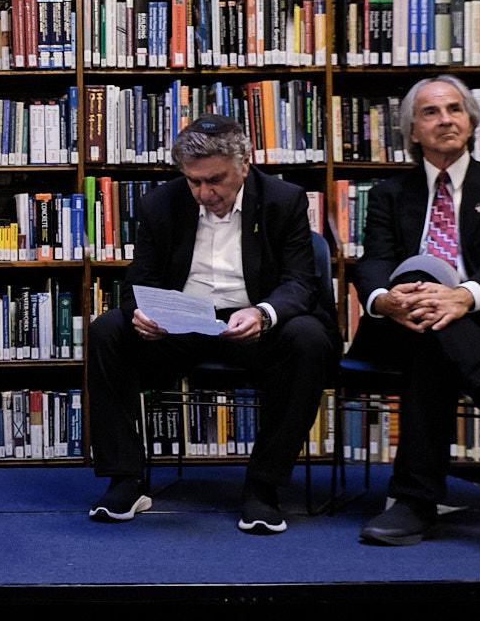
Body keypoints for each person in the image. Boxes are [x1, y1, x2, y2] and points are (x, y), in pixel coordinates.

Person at [85, 114, 339, 534]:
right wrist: (142, 312)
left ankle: (263, 487)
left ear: (245, 165)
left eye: (216, 180)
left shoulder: (284, 200)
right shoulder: (160, 203)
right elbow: (138, 280)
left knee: (308, 338)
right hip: (181, 325)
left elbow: (300, 282)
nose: (205, 193)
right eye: (194, 182)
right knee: (107, 330)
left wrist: (263, 313)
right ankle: (124, 479)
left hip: (253, 326)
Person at [350, 75, 480, 546]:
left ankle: (414, 502)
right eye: (430, 112)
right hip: (402, 321)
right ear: (412, 130)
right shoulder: (389, 193)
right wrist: (384, 300)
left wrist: (463, 296)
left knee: (434, 338)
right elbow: (374, 262)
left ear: (471, 121)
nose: (445, 120)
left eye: (455, 109)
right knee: (418, 287)